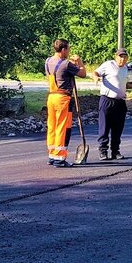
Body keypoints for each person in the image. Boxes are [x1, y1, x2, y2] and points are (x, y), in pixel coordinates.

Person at [44, 38, 87, 168]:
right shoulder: (66, 64)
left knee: (52, 126)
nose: (69, 51)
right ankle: (59, 158)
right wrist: (79, 62)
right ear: (63, 50)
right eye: (68, 49)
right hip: (62, 98)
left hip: (51, 97)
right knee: (62, 127)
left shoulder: (48, 61)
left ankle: (52, 155)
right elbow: (83, 74)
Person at [93, 48, 131, 161]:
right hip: (107, 100)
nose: (122, 59)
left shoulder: (125, 69)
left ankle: (115, 151)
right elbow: (96, 72)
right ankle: (103, 151)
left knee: (118, 128)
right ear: (116, 56)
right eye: (120, 56)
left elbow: (124, 84)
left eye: (124, 57)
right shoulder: (109, 64)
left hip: (120, 102)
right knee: (104, 126)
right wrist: (96, 78)